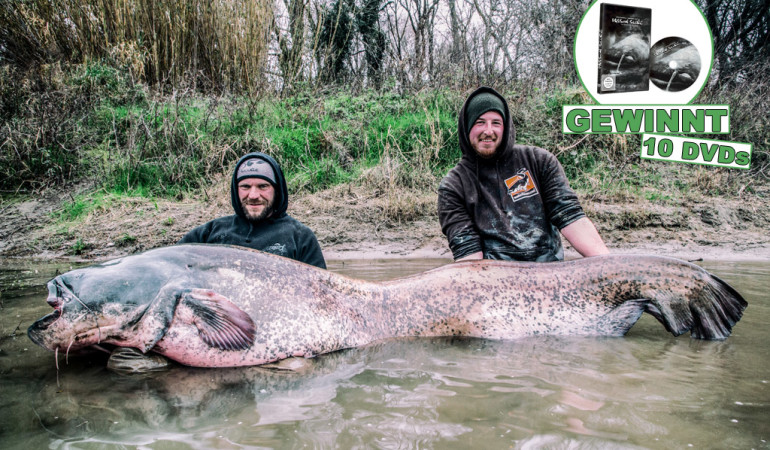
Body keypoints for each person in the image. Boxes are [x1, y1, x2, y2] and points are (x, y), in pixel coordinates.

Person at [438, 86, 609, 262]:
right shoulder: (453, 186)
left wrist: (609, 266)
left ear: (505, 127)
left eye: (496, 123)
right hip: (492, 279)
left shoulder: (539, 161)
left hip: (548, 271)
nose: (488, 131)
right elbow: (468, 252)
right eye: (480, 122)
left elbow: (570, 217)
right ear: (466, 127)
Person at [179, 152, 327, 269]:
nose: (254, 195)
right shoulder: (208, 234)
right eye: (245, 187)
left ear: (277, 190)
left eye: (263, 186)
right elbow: (168, 267)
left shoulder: (301, 237)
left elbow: (319, 294)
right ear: (236, 190)